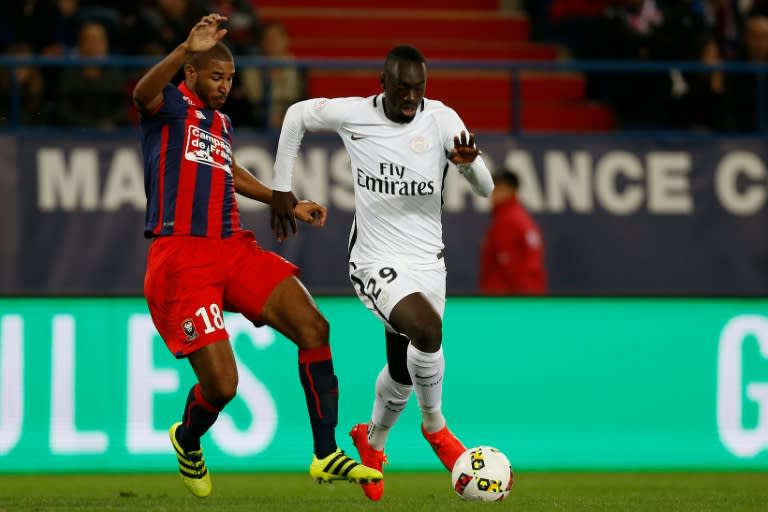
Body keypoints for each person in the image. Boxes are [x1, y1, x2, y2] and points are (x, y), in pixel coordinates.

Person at [132, 13, 382, 498]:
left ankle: (326, 453)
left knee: (314, 327)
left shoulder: (221, 121)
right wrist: (186, 48)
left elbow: (226, 168)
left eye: (229, 79)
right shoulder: (166, 107)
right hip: (182, 257)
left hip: (233, 246)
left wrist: (280, 198)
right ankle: (187, 439)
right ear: (191, 74)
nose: (224, 87)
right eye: (215, 77)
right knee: (223, 388)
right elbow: (141, 93)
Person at [270, 44, 494, 501]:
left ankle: (371, 444)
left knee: (403, 368)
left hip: (429, 261)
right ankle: (436, 429)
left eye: (419, 88)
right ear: (383, 83)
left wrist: (469, 169)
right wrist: (280, 190)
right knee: (426, 332)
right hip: (373, 259)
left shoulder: (443, 119)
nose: (411, 97)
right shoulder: (354, 114)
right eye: (402, 88)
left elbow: (487, 188)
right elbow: (295, 116)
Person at [479, 169, 547, 295]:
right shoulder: (518, 217)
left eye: (497, 187)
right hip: (524, 298)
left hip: (507, 302)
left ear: (510, 190)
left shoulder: (506, 221)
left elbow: (512, 268)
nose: (492, 193)